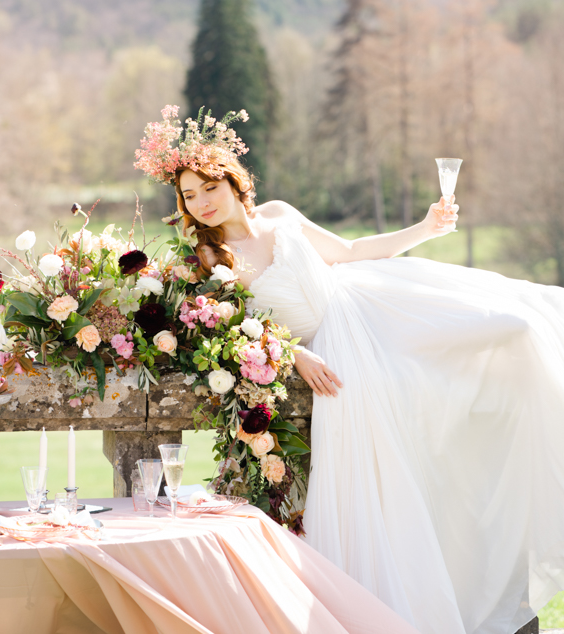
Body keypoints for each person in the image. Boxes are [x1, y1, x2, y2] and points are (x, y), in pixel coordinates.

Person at [135, 107, 564, 634]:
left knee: (514, 326)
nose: (201, 202)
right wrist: (293, 353)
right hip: (328, 345)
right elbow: (230, 332)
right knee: (389, 433)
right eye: (189, 196)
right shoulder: (207, 256)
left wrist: (426, 229)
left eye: (208, 187)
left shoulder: (279, 213)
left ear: (232, 181)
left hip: (370, 304)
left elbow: (351, 251)